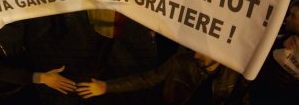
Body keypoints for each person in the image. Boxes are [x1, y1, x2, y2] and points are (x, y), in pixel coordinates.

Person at [77, 49, 249, 104]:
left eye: (201, 51)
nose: (195, 55)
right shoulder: (180, 62)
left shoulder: (235, 75)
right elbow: (147, 79)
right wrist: (107, 87)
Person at [0, 21, 76, 104]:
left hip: (27, 82)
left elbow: (38, 28)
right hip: (5, 92)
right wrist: (40, 77)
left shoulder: (13, 22)